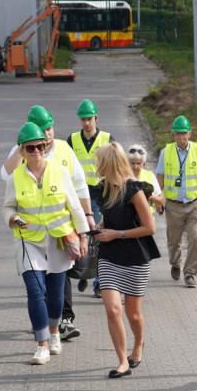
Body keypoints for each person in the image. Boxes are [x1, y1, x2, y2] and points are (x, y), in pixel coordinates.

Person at [2, 105, 94, 341]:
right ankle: (43, 336)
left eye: (49, 129)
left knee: (57, 285)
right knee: (37, 289)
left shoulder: (63, 152)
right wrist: (20, 149)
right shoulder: (20, 157)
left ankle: (62, 322)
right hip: (30, 238)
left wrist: (86, 222)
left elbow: (79, 188)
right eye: (32, 144)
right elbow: (6, 178)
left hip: (60, 233)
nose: (46, 136)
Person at [89, 142, 158, 378]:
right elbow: (109, 218)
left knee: (133, 314)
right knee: (113, 310)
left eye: (100, 161)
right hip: (109, 256)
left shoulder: (134, 189)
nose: (97, 165)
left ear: (109, 163)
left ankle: (138, 345)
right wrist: (100, 227)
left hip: (136, 257)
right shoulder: (103, 188)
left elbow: (150, 228)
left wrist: (117, 233)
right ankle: (122, 361)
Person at [155, 116, 197, 288]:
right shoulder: (166, 152)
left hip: (195, 203)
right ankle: (175, 263)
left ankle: (190, 274)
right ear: (173, 134)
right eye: (178, 134)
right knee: (174, 240)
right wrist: (158, 199)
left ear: (190, 134)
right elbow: (160, 177)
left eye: (184, 133)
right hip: (173, 204)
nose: (181, 137)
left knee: (195, 238)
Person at [69, 99, 114, 297]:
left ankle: (98, 281)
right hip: (78, 197)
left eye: (89, 119)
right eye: (83, 119)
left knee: (97, 237)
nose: (86, 123)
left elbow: (114, 166)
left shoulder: (106, 138)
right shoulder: (72, 140)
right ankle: (83, 272)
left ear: (96, 117)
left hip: (99, 195)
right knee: (82, 236)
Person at [127, 145, 164, 215]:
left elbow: (161, 200)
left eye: (138, 163)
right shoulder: (122, 176)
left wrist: (151, 198)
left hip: (146, 219)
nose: (135, 166)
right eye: (132, 163)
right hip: (126, 219)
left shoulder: (150, 175)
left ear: (143, 164)